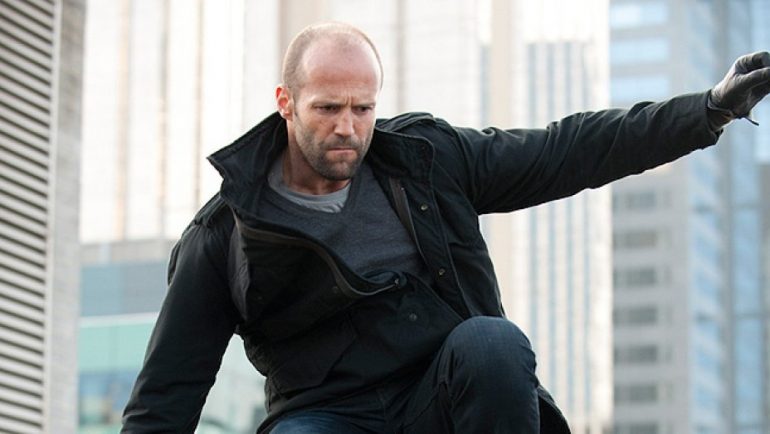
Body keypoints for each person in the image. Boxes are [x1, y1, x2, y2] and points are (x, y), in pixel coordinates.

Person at [121, 22, 770, 434]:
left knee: (493, 343)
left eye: (363, 108)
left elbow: (565, 149)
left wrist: (706, 111)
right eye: (327, 108)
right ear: (285, 103)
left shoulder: (427, 161)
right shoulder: (224, 236)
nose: (348, 128)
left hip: (445, 395)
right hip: (326, 416)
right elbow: (165, 398)